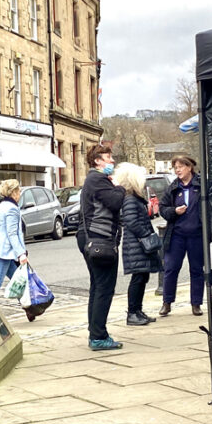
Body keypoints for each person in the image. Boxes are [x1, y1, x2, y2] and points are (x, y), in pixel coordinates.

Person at [77, 144, 125, 350]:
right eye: (108, 157)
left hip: (92, 239)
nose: (112, 161)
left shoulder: (93, 179)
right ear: (97, 161)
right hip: (100, 239)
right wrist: (121, 186)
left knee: (97, 287)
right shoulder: (97, 179)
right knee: (104, 288)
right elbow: (115, 202)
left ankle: (96, 332)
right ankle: (98, 337)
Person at [113, 163, 160, 326]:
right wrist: (146, 235)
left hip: (137, 244)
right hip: (136, 245)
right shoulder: (130, 199)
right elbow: (131, 221)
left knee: (142, 276)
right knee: (138, 278)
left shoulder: (132, 197)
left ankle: (138, 311)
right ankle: (132, 313)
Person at [158, 155, 204, 317]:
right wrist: (174, 212)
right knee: (171, 269)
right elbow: (162, 209)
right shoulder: (173, 187)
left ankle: (196, 304)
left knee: (197, 270)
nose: (177, 170)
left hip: (197, 235)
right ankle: (167, 302)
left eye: (180, 167)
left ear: (189, 167)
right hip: (176, 235)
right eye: (175, 167)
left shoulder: (201, 185)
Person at [0, 179, 28, 296]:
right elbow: (12, 234)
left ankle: (30, 308)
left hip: (0, 250)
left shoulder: (1, 206)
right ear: (14, 192)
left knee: (20, 283)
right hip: (4, 252)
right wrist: (21, 254)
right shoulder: (11, 208)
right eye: (19, 191)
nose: (20, 195)